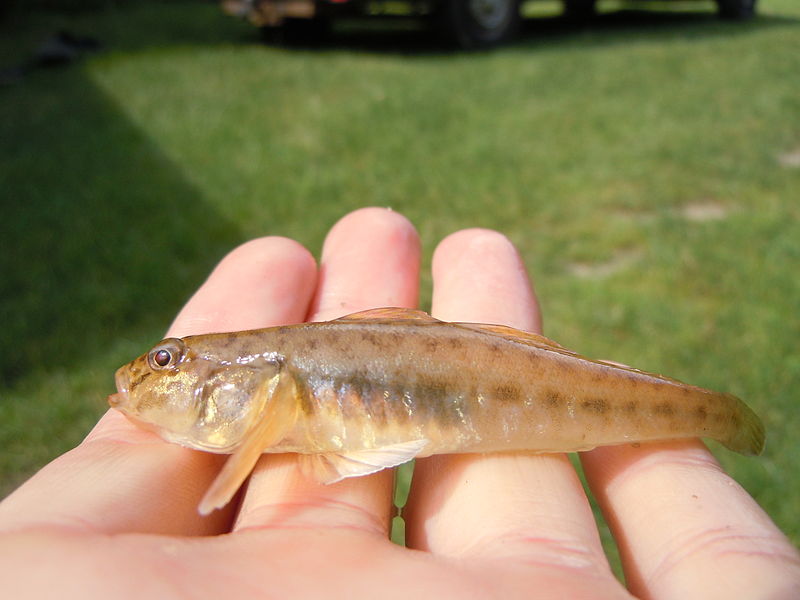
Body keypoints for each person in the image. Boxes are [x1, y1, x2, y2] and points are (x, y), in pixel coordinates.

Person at [0, 207, 797, 599]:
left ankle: (704, 412)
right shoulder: (268, 379)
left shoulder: (273, 378)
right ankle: (705, 411)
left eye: (170, 362)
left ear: (246, 382)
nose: (151, 372)